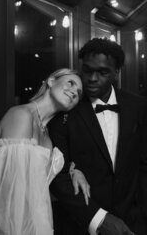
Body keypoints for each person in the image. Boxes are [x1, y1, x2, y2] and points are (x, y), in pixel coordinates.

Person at [0, 68, 90, 235]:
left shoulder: (47, 135)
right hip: (4, 227)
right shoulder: (21, 115)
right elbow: (11, 199)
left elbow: (39, 187)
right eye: (70, 83)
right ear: (51, 81)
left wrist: (74, 171)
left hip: (32, 224)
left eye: (78, 93)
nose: (74, 92)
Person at [49, 38, 147, 235]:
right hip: (81, 225)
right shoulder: (66, 108)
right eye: (87, 70)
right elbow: (57, 173)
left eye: (102, 72)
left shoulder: (138, 106)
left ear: (116, 72)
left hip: (134, 224)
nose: (92, 78)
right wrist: (98, 219)